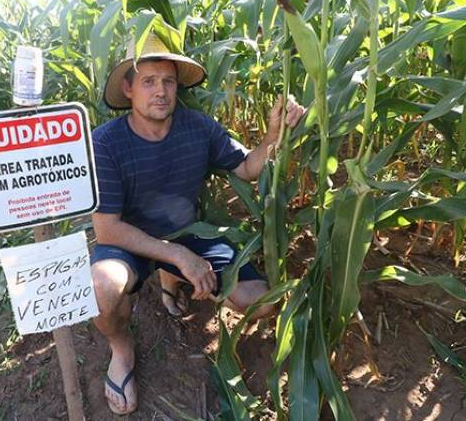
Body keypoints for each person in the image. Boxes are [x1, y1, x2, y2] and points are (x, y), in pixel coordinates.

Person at [90, 32, 305, 415]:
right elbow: (107, 229)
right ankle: (122, 351)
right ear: (128, 89)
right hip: (128, 242)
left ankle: (169, 275)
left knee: (261, 303)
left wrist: (274, 136)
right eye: (149, 81)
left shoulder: (199, 128)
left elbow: (246, 167)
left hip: (189, 233)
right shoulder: (105, 144)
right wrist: (179, 255)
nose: (161, 91)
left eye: (168, 81)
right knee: (102, 289)